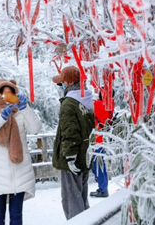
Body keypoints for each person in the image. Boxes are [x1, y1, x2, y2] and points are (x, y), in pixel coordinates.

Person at [0, 79, 42, 225]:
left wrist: (25, 109)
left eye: (11, 93)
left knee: (16, 215)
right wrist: (2, 118)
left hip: (20, 172)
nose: (8, 96)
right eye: (4, 93)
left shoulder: (20, 114)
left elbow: (35, 128)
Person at [51, 66, 95, 220]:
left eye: (62, 83)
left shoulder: (69, 104)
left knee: (71, 200)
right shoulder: (88, 101)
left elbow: (69, 132)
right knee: (81, 197)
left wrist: (70, 157)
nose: (61, 86)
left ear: (69, 83)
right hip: (83, 155)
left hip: (72, 158)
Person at [90, 90, 114, 198]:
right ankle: (102, 187)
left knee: (98, 165)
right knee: (100, 164)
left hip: (98, 139)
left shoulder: (99, 104)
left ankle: (103, 189)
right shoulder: (110, 105)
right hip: (103, 138)